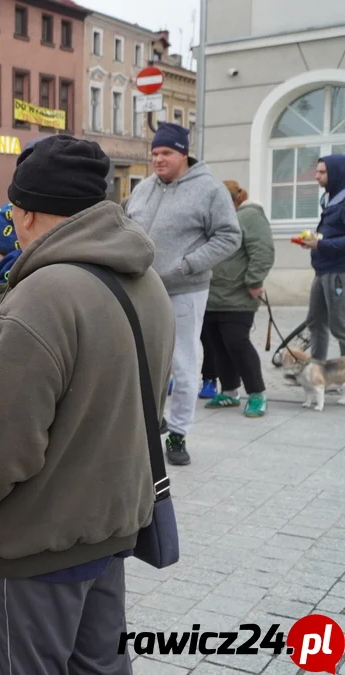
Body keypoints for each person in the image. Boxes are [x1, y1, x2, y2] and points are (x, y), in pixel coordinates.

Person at [0, 135, 175, 674]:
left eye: (14, 211)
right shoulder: (147, 280)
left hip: (34, 548)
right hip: (109, 530)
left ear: (30, 213)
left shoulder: (43, 299)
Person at [125, 122, 240, 466]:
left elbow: (229, 237)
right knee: (140, 360)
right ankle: (149, 423)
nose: (158, 159)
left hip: (183, 290)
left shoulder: (209, 190)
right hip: (139, 288)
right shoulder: (143, 188)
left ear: (183, 154)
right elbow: (124, 222)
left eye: (166, 153)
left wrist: (188, 265)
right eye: (155, 153)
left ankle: (177, 433)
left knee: (182, 362)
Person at [200, 181, 275, 417]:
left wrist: (254, 280)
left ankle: (256, 394)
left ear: (231, 200)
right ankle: (229, 391)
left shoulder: (250, 216)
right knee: (217, 344)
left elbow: (262, 250)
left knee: (236, 342)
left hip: (238, 294)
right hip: (211, 294)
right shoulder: (218, 220)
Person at [298, 155, 345, 360]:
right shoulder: (329, 198)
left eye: (322, 172)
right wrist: (314, 239)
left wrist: (321, 244)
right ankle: (317, 370)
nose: (316, 176)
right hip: (322, 269)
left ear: (336, 173)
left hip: (338, 271)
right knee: (315, 321)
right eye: (316, 171)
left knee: (340, 326)